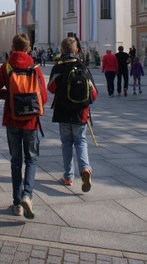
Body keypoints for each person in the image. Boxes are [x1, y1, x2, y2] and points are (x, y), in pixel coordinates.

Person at [0, 33, 48, 219]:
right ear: (29, 48)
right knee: (31, 159)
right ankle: (27, 195)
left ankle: (16, 204)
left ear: (13, 47)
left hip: (12, 119)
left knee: (16, 161)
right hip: (30, 121)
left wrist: (10, 96)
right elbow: (43, 97)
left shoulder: (6, 66)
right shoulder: (35, 67)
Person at [48, 37, 98, 191]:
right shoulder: (83, 68)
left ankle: (68, 176)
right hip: (80, 113)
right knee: (80, 141)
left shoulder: (58, 68)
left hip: (63, 111)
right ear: (77, 50)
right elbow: (94, 94)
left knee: (66, 142)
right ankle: (85, 169)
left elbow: (51, 88)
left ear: (62, 51)